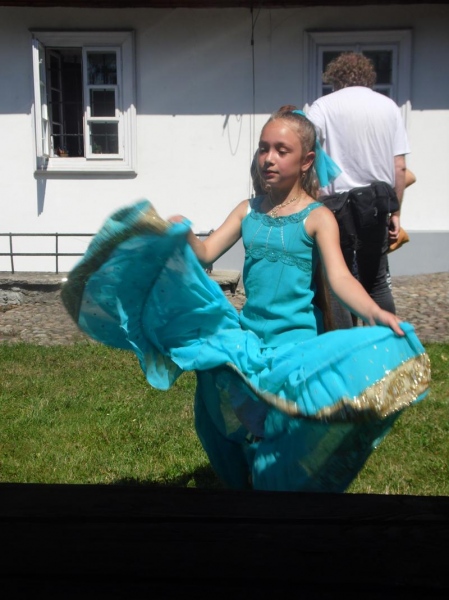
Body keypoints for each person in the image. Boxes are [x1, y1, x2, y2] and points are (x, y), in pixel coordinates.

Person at [61, 109, 430, 493]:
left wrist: (375, 312)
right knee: (233, 398)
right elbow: (206, 253)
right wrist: (182, 233)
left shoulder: (318, 217)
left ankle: (280, 484)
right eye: (263, 148)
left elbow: (339, 279)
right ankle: (253, 478)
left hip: (296, 344)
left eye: (282, 150)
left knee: (287, 426)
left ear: (306, 161)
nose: (269, 158)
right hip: (250, 340)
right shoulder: (248, 211)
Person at [307, 52, 410, 326]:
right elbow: (399, 167)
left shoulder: (322, 107)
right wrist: (396, 212)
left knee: (336, 278)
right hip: (376, 203)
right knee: (376, 280)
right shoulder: (389, 107)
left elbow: (307, 155)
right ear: (368, 77)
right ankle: (388, 339)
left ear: (335, 77)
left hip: (334, 206)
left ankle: (346, 342)